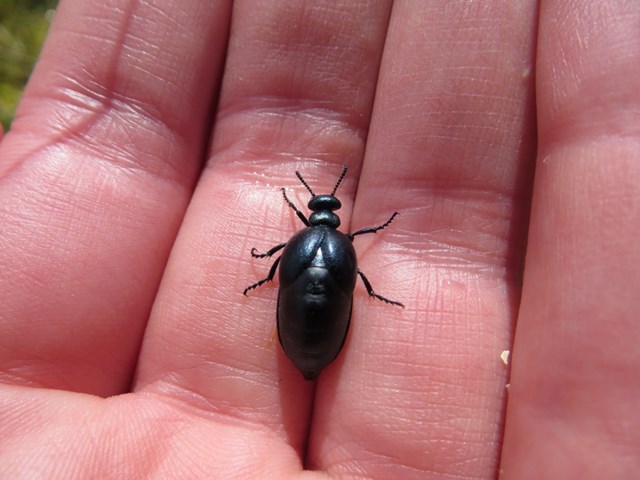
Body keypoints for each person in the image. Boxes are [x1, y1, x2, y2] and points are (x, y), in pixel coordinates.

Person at [0, 1, 637, 478]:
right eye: (322, 202)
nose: (322, 207)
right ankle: (311, 356)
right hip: (316, 334)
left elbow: (297, 266)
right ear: (329, 214)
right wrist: (300, 271)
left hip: (306, 332)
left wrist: (269, 270)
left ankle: (308, 355)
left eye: (320, 203)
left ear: (315, 213)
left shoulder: (308, 241)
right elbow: (336, 275)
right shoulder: (331, 243)